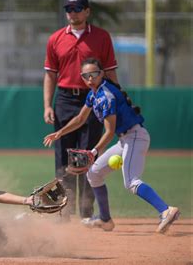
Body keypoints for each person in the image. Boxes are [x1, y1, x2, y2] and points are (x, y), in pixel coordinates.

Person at [43, 57, 180, 234]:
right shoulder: (94, 94)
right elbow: (80, 118)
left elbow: (108, 132)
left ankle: (166, 210)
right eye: (85, 75)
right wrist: (60, 132)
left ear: (102, 74)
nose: (90, 78)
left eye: (94, 73)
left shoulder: (106, 96)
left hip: (135, 137)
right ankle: (105, 219)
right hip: (125, 140)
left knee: (131, 181)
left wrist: (93, 152)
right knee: (94, 173)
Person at [43, 0, 119, 221]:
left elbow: (111, 71)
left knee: (88, 155)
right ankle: (64, 210)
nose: (72, 13)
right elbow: (50, 75)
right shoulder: (55, 38)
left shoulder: (101, 37)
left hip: (94, 98)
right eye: (69, 9)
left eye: (77, 9)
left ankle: (86, 212)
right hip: (65, 98)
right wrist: (48, 104)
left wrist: (118, 100)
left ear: (87, 11)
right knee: (63, 157)